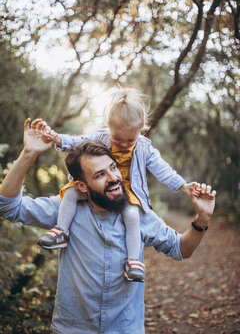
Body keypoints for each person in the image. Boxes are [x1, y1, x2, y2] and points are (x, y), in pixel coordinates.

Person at [0, 119, 216, 334]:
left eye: (113, 167)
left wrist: (203, 218)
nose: (114, 177)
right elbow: (9, 206)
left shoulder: (139, 215)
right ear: (81, 186)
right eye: (100, 174)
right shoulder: (65, 210)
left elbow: (181, 249)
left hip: (126, 329)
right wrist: (29, 153)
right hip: (72, 329)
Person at [38, 88, 198, 282]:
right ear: (109, 128)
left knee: (131, 216)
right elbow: (77, 142)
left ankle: (133, 262)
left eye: (130, 139)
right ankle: (61, 231)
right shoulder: (101, 137)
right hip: (99, 186)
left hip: (127, 190)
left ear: (141, 130)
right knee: (71, 193)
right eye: (117, 139)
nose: (123, 144)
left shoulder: (144, 147)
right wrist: (56, 137)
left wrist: (183, 186)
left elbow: (163, 170)